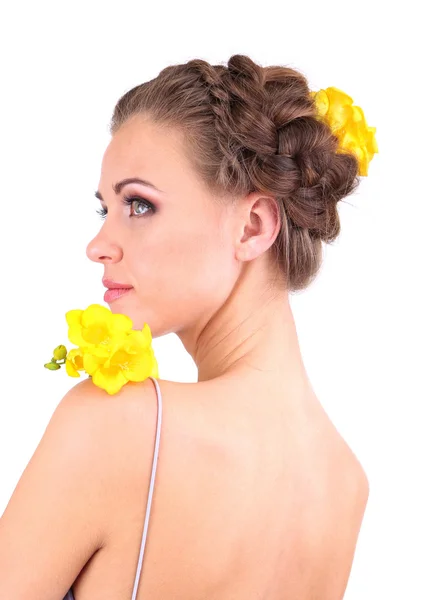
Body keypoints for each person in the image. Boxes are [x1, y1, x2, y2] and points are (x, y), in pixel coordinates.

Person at [0, 54, 370, 599]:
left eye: (140, 205)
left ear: (252, 225)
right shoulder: (344, 482)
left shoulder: (119, 426)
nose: (98, 246)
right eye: (107, 209)